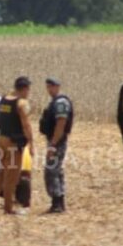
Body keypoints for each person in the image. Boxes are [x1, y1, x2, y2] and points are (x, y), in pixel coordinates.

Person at [0, 76, 35, 215]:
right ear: (24, 89)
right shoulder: (21, 103)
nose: (28, 92)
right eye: (28, 89)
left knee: (2, 172)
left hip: (0, 139)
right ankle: (8, 208)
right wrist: (31, 143)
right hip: (13, 142)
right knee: (11, 175)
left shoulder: (4, 99)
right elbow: (26, 125)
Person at [39, 77, 73, 213]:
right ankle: (58, 202)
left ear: (57, 87)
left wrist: (53, 145)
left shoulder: (61, 103)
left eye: (51, 86)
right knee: (56, 171)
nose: (49, 89)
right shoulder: (55, 102)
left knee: (52, 171)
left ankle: (58, 203)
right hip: (54, 140)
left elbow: (61, 124)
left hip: (57, 142)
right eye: (48, 87)